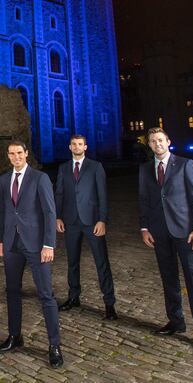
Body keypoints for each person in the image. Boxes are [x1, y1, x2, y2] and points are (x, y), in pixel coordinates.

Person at [139, 127, 193, 353]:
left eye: (161, 140)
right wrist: (144, 228)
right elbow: (144, 200)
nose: (157, 144)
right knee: (168, 279)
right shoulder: (144, 170)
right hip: (159, 233)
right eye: (153, 141)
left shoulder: (184, 165)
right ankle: (176, 321)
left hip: (185, 232)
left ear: (168, 141)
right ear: (150, 145)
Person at [0, 141, 63, 368]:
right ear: (8, 156)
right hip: (11, 244)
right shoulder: (5, 180)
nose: (16, 157)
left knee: (46, 295)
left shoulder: (39, 178)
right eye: (11, 154)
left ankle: (54, 345)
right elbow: (3, 211)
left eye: (19, 153)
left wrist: (49, 245)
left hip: (36, 245)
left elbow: (49, 211)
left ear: (26, 154)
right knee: (12, 291)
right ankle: (15, 336)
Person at [55, 135, 117, 320]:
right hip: (70, 221)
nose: (77, 146)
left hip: (92, 222)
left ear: (85, 147)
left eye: (80, 144)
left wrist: (102, 220)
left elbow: (102, 195)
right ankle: (74, 297)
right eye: (74, 144)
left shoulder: (95, 167)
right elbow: (59, 193)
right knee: (72, 262)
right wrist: (58, 217)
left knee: (101, 262)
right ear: (69, 147)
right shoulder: (63, 168)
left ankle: (109, 304)